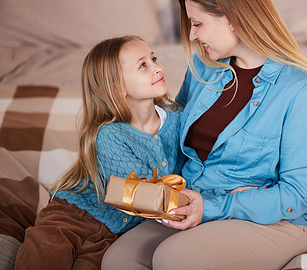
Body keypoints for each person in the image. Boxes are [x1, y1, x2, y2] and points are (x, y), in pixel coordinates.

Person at [102, 0, 307, 270]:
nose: (193, 36)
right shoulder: (203, 70)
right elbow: (170, 138)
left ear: (233, 19)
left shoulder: (300, 90)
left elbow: (296, 195)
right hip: (194, 202)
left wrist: (215, 205)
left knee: (174, 259)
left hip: (274, 220)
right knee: (119, 260)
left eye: (198, 24)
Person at [14, 35, 185, 270]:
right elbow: (138, 192)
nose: (158, 67)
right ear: (116, 87)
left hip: (116, 232)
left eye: (154, 58)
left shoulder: (177, 117)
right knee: (43, 257)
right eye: (143, 65)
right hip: (74, 215)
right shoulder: (110, 134)